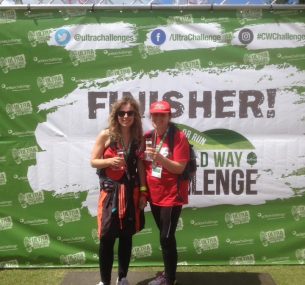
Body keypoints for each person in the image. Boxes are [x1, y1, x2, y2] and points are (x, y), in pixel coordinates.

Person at [91, 96, 148, 285]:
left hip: (130, 194)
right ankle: (104, 281)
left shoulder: (138, 137)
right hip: (110, 195)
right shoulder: (106, 135)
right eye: (121, 113)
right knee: (106, 238)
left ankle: (122, 278)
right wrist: (109, 161)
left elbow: (140, 165)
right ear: (115, 115)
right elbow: (93, 161)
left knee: (126, 237)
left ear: (135, 116)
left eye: (130, 113)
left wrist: (143, 191)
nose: (126, 116)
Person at [143, 100, 190, 285]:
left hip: (171, 196)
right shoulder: (148, 136)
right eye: (155, 114)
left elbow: (179, 168)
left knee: (166, 237)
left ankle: (169, 279)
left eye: (162, 115)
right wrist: (142, 191)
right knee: (164, 236)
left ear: (169, 116)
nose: (158, 118)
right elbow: (144, 164)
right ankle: (167, 273)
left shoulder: (178, 137)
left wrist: (160, 158)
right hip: (154, 195)